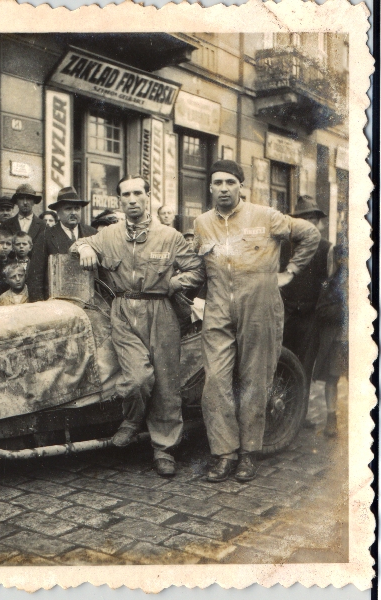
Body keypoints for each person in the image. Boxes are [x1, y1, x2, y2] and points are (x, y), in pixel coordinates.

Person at [182, 160, 320, 483]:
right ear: (210, 187)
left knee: (254, 379)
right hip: (218, 307)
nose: (224, 189)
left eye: (231, 182)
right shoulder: (202, 223)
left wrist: (291, 271)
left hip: (259, 306)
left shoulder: (266, 216)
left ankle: (248, 454)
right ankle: (224, 454)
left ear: (241, 186)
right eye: (218, 183)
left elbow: (310, 234)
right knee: (214, 381)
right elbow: (199, 266)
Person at [72, 174, 205, 477]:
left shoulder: (169, 236)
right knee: (137, 380)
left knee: (167, 384)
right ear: (119, 200)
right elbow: (77, 243)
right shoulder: (108, 235)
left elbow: (197, 269)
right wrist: (85, 249)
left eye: (137, 194)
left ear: (148, 197)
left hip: (161, 310)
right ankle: (131, 421)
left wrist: (176, 281)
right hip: (123, 311)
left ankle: (164, 449)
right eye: (125, 195)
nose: (131, 200)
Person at [280, 195, 333, 427]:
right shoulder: (284, 246)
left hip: (310, 316)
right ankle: (283, 413)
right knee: (282, 362)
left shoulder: (326, 249)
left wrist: (318, 308)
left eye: (312, 218)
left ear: (318, 222)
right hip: (286, 312)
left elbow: (327, 282)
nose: (309, 223)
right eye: (303, 219)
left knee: (304, 364)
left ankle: (300, 416)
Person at [312, 243, 348, 438]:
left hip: (363, 342)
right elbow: (321, 311)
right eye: (343, 258)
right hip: (338, 341)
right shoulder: (330, 283)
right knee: (332, 379)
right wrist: (345, 310)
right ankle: (331, 418)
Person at [0, 184, 47, 302]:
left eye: (29, 199)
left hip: (35, 274)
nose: (25, 202)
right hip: (11, 277)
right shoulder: (7, 224)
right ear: (16, 201)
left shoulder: (43, 225)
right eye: (21, 199)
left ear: (34, 202)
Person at [46, 187, 97, 255]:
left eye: (77, 208)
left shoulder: (93, 233)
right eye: (68, 209)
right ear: (58, 212)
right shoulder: (46, 237)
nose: (73, 213)